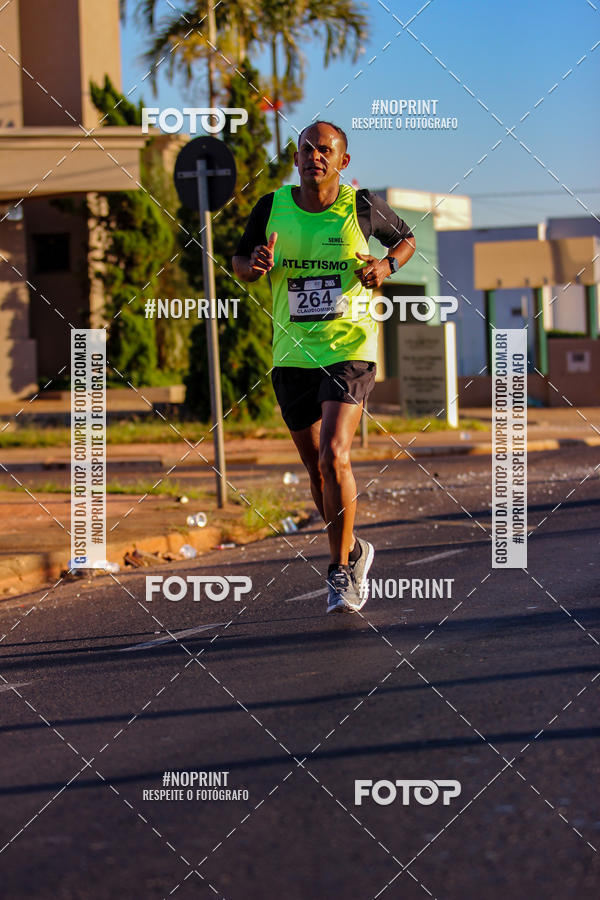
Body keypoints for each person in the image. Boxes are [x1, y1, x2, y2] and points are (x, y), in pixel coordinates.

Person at [232, 121, 415, 614]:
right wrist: (257, 265)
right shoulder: (272, 207)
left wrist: (384, 267)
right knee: (316, 469)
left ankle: (339, 574)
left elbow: (407, 240)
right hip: (291, 353)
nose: (315, 155)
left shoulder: (361, 206)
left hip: (349, 346)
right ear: (295, 158)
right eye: (307, 148)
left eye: (325, 150)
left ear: (343, 162)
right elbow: (239, 264)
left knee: (336, 455)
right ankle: (353, 551)